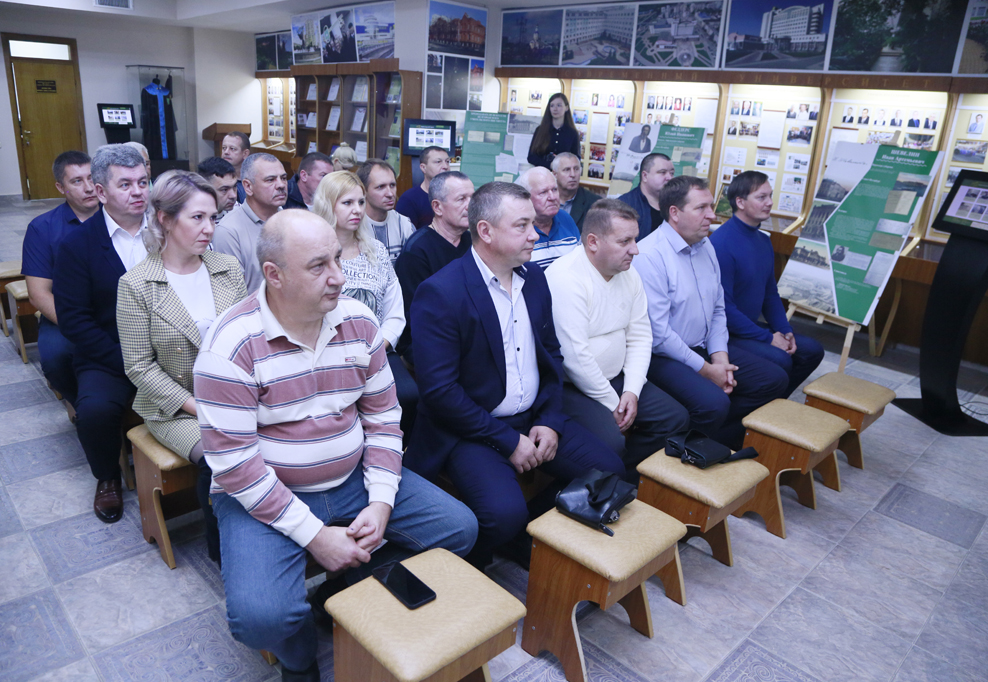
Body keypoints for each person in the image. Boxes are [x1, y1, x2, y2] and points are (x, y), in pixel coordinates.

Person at [193, 209, 477, 682]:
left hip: (352, 478)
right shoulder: (230, 345)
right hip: (264, 492)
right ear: (274, 275)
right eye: (318, 266)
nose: (339, 278)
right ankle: (300, 660)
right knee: (260, 620)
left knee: (459, 529)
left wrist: (381, 501)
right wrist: (315, 537)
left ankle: (341, 594)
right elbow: (237, 468)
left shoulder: (359, 322)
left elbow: (384, 420)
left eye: (337, 260)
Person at [405, 182, 625, 568]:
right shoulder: (441, 292)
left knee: (609, 472)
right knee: (503, 514)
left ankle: (527, 536)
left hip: (533, 416)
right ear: (486, 231)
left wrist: (550, 420)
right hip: (472, 428)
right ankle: (477, 560)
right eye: (522, 225)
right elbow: (441, 393)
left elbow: (551, 356)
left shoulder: (534, 278)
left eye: (533, 224)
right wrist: (508, 441)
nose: (535, 234)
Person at [117, 170, 247, 563]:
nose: (209, 228)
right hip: (176, 407)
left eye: (213, 217)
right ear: (165, 219)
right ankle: (224, 549)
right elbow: (140, 368)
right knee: (219, 457)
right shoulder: (137, 284)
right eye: (197, 218)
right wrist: (200, 407)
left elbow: (248, 338)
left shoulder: (227, 267)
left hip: (233, 393)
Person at [632, 177, 787, 450]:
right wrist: (707, 370)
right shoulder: (650, 256)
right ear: (675, 213)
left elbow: (717, 309)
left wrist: (720, 359)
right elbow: (660, 336)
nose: (712, 215)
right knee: (713, 403)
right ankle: (679, 454)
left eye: (711, 206)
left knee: (773, 380)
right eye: (701, 208)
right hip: (663, 356)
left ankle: (712, 445)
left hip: (704, 346)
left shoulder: (706, 246)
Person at [545, 200, 689, 472]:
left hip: (619, 378)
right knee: (611, 442)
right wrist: (614, 403)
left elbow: (640, 336)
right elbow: (575, 359)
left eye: (635, 239)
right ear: (593, 242)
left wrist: (632, 390)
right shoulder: (565, 278)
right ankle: (609, 483)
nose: (635, 249)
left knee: (675, 418)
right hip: (573, 386)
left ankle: (628, 481)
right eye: (625, 241)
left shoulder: (629, 273)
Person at [53, 144, 150, 523]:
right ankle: (108, 477)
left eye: (142, 182)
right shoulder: (77, 244)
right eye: (125, 184)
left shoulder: (167, 230)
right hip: (108, 353)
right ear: (101, 191)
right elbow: (75, 321)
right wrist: (129, 362)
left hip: (169, 347)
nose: (138, 191)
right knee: (94, 411)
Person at [313, 171, 418, 439]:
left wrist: (376, 346)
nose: (357, 210)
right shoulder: (312, 253)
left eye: (360, 202)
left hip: (376, 348)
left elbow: (394, 313)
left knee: (408, 394)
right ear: (328, 205)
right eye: (347, 203)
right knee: (338, 407)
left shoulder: (376, 250)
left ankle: (391, 452)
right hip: (326, 352)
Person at [709, 172, 824, 398]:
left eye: (770, 196)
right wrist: (769, 338)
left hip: (750, 327)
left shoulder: (762, 240)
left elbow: (770, 293)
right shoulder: (721, 244)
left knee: (811, 350)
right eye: (761, 197)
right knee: (780, 359)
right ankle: (758, 406)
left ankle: (773, 404)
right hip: (727, 333)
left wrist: (785, 330)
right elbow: (724, 309)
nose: (770, 202)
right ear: (740, 202)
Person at [22, 151, 99, 405]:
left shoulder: (118, 216)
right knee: (55, 358)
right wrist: (79, 326)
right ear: (60, 187)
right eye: (77, 181)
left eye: (91, 178)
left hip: (118, 308)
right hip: (66, 312)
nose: (88, 187)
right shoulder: (42, 227)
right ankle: (77, 402)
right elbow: (38, 294)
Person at [394, 171, 474, 362]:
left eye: (473, 198)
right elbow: (416, 317)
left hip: (467, 334)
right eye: (461, 199)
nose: (470, 206)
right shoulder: (417, 251)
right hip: (428, 342)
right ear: (437, 207)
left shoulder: (472, 242)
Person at [212, 153, 287, 293]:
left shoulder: (291, 221)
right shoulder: (228, 231)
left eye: (283, 178)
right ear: (248, 187)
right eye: (270, 180)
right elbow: (233, 295)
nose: (281, 185)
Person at [516, 166, 580, 270]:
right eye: (543, 192)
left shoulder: (565, 218)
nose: (552, 197)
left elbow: (580, 262)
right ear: (526, 198)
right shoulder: (518, 229)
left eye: (554, 190)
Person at [357, 160, 416, 263]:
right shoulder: (354, 224)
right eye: (380, 187)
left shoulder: (405, 225)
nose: (390, 194)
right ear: (363, 191)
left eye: (392, 185)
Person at [618, 153, 675, 241]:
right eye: (662, 172)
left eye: (671, 173)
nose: (669, 177)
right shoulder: (624, 205)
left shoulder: (675, 204)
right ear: (645, 176)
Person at [395, 146, 450, 229]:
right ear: (423, 168)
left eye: (447, 161)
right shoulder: (409, 199)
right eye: (438, 162)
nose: (445, 166)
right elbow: (404, 233)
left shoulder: (454, 195)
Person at [527, 93, 580, 169]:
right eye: (552, 106)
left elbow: (576, 159)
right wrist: (550, 165)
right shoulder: (540, 130)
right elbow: (531, 157)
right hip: (542, 173)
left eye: (559, 105)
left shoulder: (572, 133)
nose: (555, 109)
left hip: (563, 174)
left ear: (566, 108)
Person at [551, 152, 600, 230]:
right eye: (567, 170)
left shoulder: (594, 203)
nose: (573, 175)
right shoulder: (545, 199)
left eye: (576, 169)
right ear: (554, 174)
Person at [220, 131, 251, 202]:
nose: (226, 152)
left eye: (232, 149)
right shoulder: (216, 178)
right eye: (224, 148)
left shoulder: (253, 180)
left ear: (245, 153)